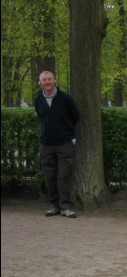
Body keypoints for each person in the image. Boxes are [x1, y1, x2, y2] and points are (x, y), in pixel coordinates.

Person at [34, 70, 81, 218]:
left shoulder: (66, 98)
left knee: (63, 176)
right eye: (44, 80)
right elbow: (42, 117)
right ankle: (54, 205)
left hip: (64, 143)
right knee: (49, 176)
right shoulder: (38, 100)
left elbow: (75, 116)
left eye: (49, 79)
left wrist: (67, 133)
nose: (47, 82)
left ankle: (65, 207)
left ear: (54, 81)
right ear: (40, 83)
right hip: (46, 144)